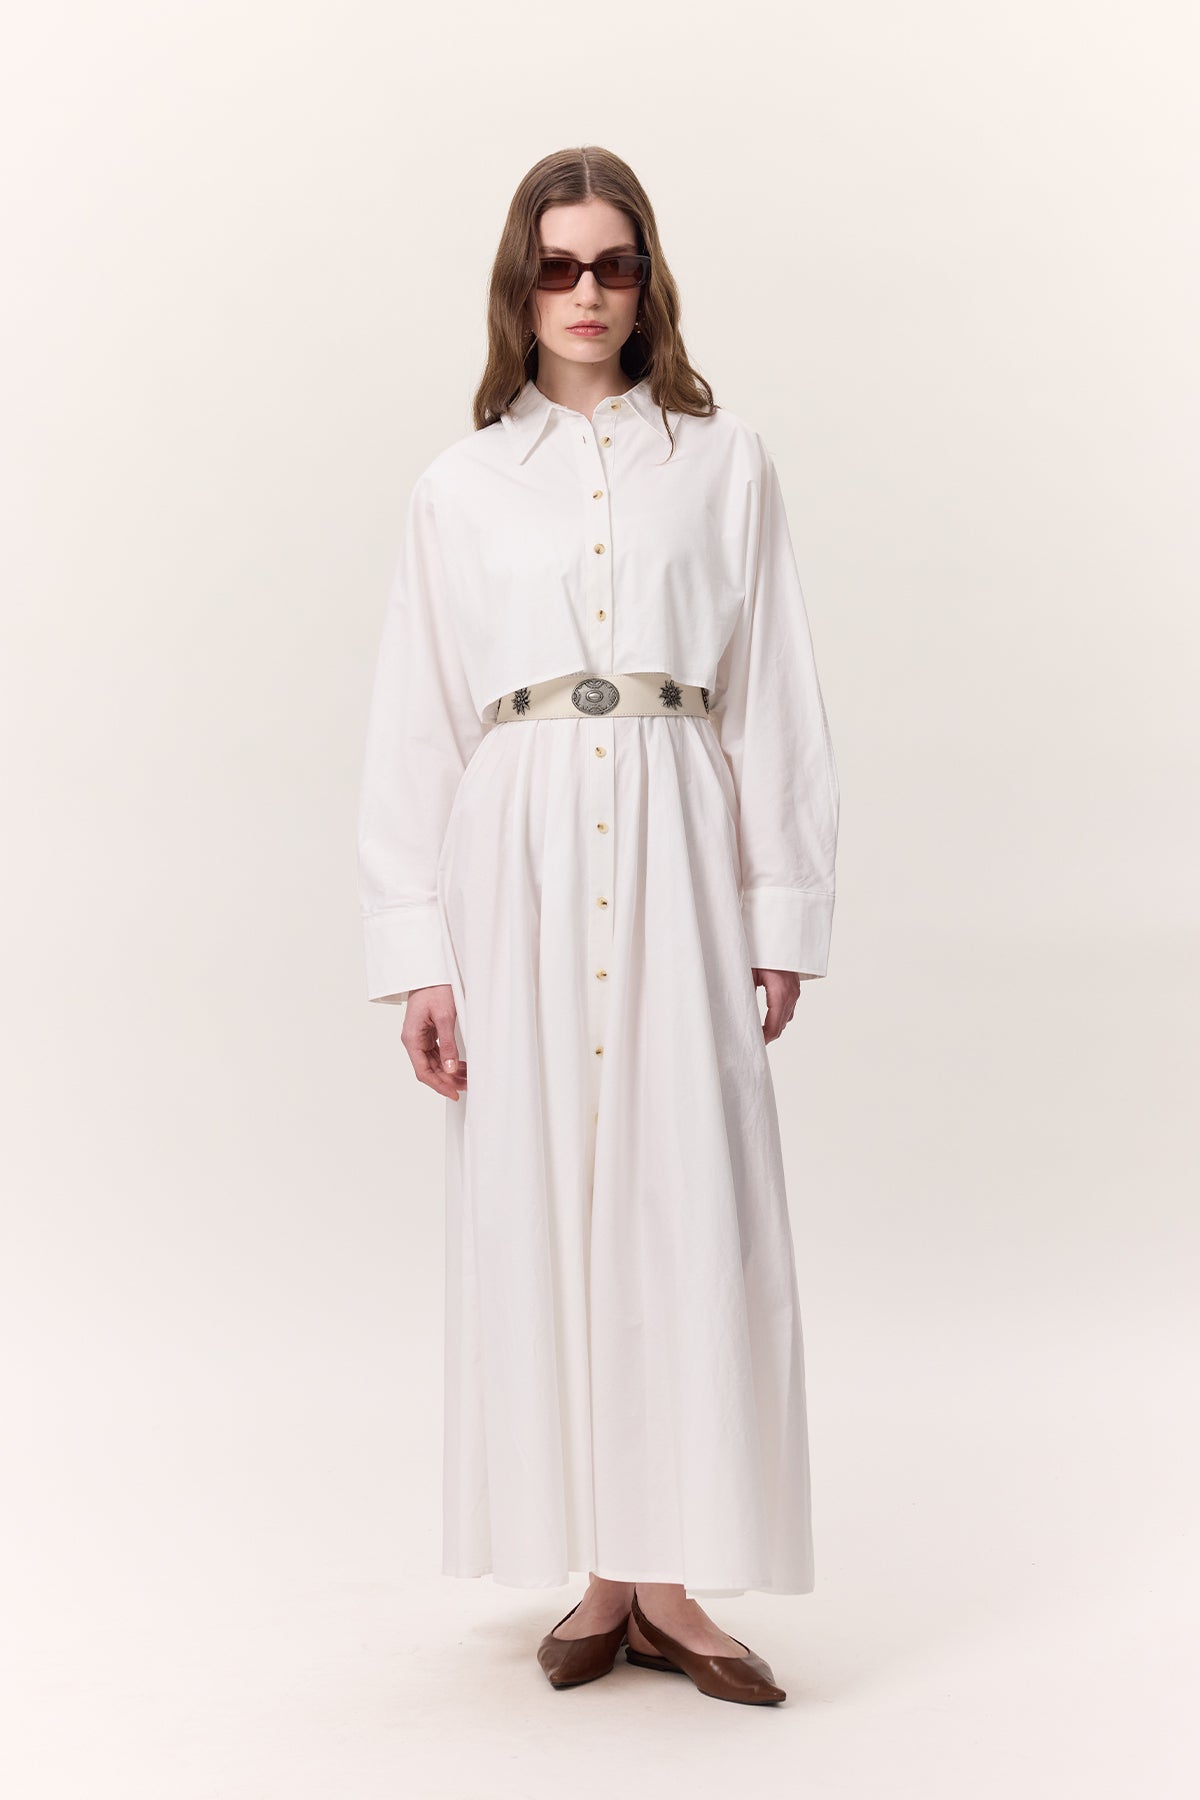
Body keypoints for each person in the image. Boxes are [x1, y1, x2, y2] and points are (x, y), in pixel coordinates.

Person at [357, 146, 840, 1707]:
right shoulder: (458, 486)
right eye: (557, 266)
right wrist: (417, 956)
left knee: (686, 1194)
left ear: (649, 281)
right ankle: (601, 1579)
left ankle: (672, 1582)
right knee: (546, 1193)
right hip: (516, 862)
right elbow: (418, 723)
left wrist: (780, 907)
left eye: (613, 264)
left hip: (684, 843)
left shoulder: (726, 463)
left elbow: (776, 699)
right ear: (521, 285)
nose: (586, 293)